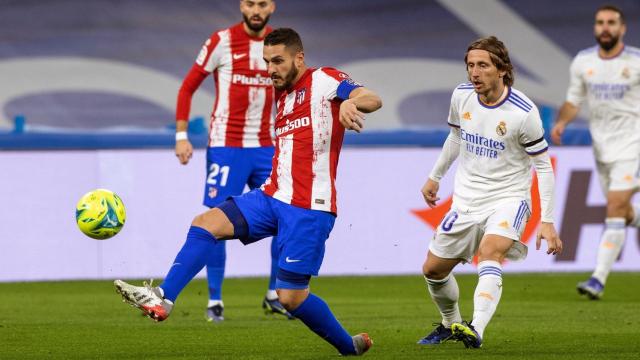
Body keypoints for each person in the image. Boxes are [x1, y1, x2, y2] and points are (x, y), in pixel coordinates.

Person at [114, 28, 382, 356]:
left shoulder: (323, 80)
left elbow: (372, 98)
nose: (271, 69)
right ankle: (164, 298)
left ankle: (348, 347)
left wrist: (350, 104)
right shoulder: (282, 98)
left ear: (299, 58)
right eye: (267, 61)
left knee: (290, 297)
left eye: (278, 61)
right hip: (271, 197)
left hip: (309, 208)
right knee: (204, 224)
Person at [417, 36, 562, 348]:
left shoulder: (524, 112)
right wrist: (434, 177)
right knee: (432, 270)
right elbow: (455, 137)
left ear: (502, 70)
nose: (474, 72)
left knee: (490, 251)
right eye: (470, 65)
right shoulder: (462, 96)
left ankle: (476, 328)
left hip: (508, 198)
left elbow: (544, 167)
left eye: (482, 65)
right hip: (466, 200)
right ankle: (451, 323)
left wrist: (547, 221)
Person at [174, 0, 292, 321]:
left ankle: (275, 294)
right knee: (215, 220)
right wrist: (181, 136)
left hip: (267, 147)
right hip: (226, 146)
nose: (256, 10)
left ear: (272, 7)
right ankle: (214, 301)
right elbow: (187, 88)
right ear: (242, 5)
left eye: (262, 4)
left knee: (285, 218)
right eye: (251, 3)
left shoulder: (277, 47)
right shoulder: (221, 41)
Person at [551, 5, 640, 300]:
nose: (605, 27)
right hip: (601, 146)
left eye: (612, 23)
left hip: (633, 144)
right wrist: (562, 121)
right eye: (600, 22)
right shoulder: (583, 62)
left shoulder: (637, 62)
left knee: (614, 206)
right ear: (594, 28)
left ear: (622, 28)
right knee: (624, 212)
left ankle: (597, 278)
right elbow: (574, 99)